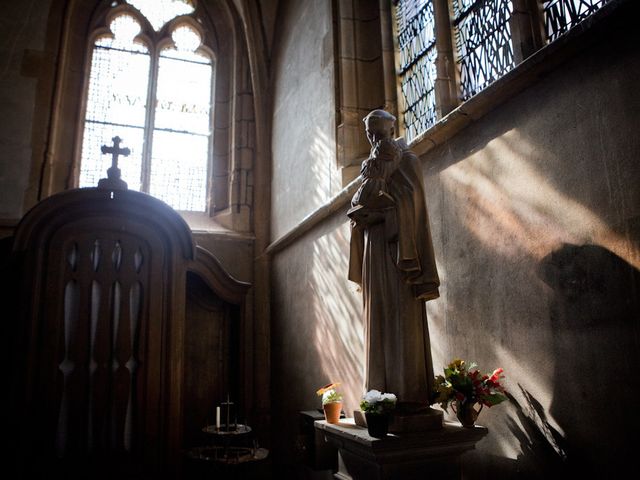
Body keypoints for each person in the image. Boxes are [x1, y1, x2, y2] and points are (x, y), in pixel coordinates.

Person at [348, 109, 440, 410]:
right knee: (377, 316)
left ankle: (408, 392)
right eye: (370, 134)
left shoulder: (407, 161)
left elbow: (411, 206)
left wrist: (381, 213)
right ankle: (377, 396)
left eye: (379, 133)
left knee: (401, 315)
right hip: (374, 251)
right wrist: (360, 218)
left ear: (391, 130)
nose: (375, 139)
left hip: (400, 251)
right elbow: (358, 201)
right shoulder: (370, 170)